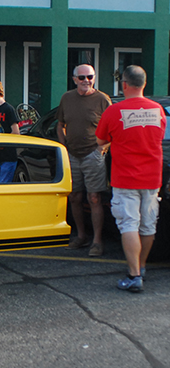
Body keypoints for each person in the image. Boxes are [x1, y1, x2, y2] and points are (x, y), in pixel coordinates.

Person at [95, 65, 166, 292]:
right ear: (144, 84)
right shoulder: (158, 110)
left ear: (124, 84)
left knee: (129, 226)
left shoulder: (115, 111)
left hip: (125, 178)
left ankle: (134, 275)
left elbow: (100, 141)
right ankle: (141, 267)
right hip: (152, 178)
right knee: (147, 226)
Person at [56, 64, 112, 256]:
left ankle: (97, 241)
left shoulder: (103, 99)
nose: (86, 81)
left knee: (94, 198)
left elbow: (112, 129)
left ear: (94, 78)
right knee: (74, 197)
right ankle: (81, 236)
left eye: (90, 77)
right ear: (74, 79)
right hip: (72, 155)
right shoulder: (67, 98)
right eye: (81, 77)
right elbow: (60, 124)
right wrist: (63, 146)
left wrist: (100, 150)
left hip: (93, 154)